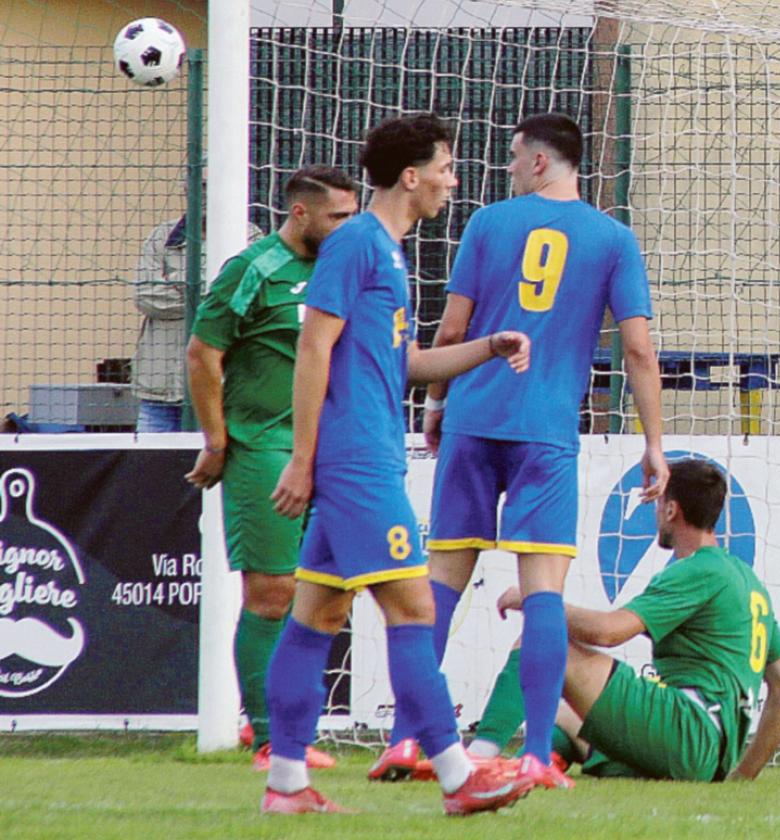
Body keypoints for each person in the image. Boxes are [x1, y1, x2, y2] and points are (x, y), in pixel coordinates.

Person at [368, 112, 668, 791]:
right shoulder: (613, 239)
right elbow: (640, 349)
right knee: (542, 598)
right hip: (545, 434)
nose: (504, 168)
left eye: (512, 156)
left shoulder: (487, 224)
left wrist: (437, 404)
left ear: (538, 162)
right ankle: (535, 753)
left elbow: (452, 327)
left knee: (439, 587)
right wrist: (654, 443)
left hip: (474, 419)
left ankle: (404, 739)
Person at [258, 113, 537, 816]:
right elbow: (313, 349)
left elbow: (405, 363)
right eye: (445, 166)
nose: (453, 178)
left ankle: (286, 785)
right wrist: (303, 458)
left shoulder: (387, 252)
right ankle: (455, 774)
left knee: (316, 615)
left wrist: (488, 346)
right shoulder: (355, 243)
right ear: (411, 177)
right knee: (413, 604)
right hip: (355, 462)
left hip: (366, 452)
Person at [185, 165, 359, 769]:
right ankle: (267, 739)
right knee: (271, 593)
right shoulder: (253, 269)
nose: (348, 227)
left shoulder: (342, 270)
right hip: (263, 447)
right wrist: (216, 438)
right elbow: (204, 351)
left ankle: (292, 729)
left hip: (332, 450)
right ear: (301, 214)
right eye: (338, 216)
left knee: (330, 598)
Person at [494, 458, 780, 782]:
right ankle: (539, 762)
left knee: (538, 641)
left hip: (688, 728)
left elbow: (608, 632)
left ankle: (481, 758)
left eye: (658, 503)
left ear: (671, 510)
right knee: (562, 713)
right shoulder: (749, 583)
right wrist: (741, 776)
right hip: (710, 755)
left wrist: (537, 600)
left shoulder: (697, 570)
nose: (655, 513)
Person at [134, 205, 261, 432]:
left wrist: (173, 280)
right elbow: (145, 297)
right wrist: (209, 285)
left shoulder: (250, 237)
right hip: (160, 387)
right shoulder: (161, 236)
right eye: (200, 186)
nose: (206, 195)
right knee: (148, 463)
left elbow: (242, 298)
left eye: (210, 186)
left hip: (221, 391)